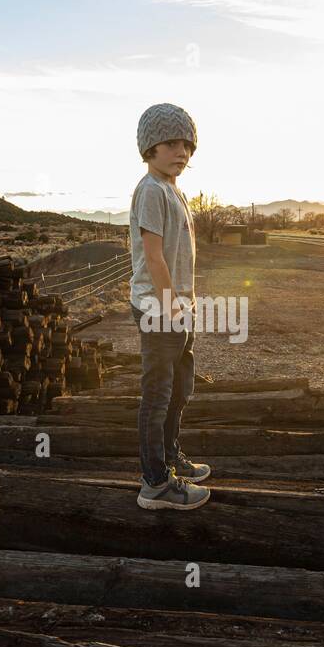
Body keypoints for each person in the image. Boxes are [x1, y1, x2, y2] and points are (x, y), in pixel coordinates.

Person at [128, 103, 212, 510]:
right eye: (171, 143)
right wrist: (172, 307)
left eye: (188, 145)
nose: (182, 152)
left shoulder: (173, 189)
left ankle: (170, 456)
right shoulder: (151, 191)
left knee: (180, 390)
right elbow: (155, 256)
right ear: (149, 147)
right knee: (158, 395)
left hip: (179, 308)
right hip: (160, 309)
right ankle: (155, 483)